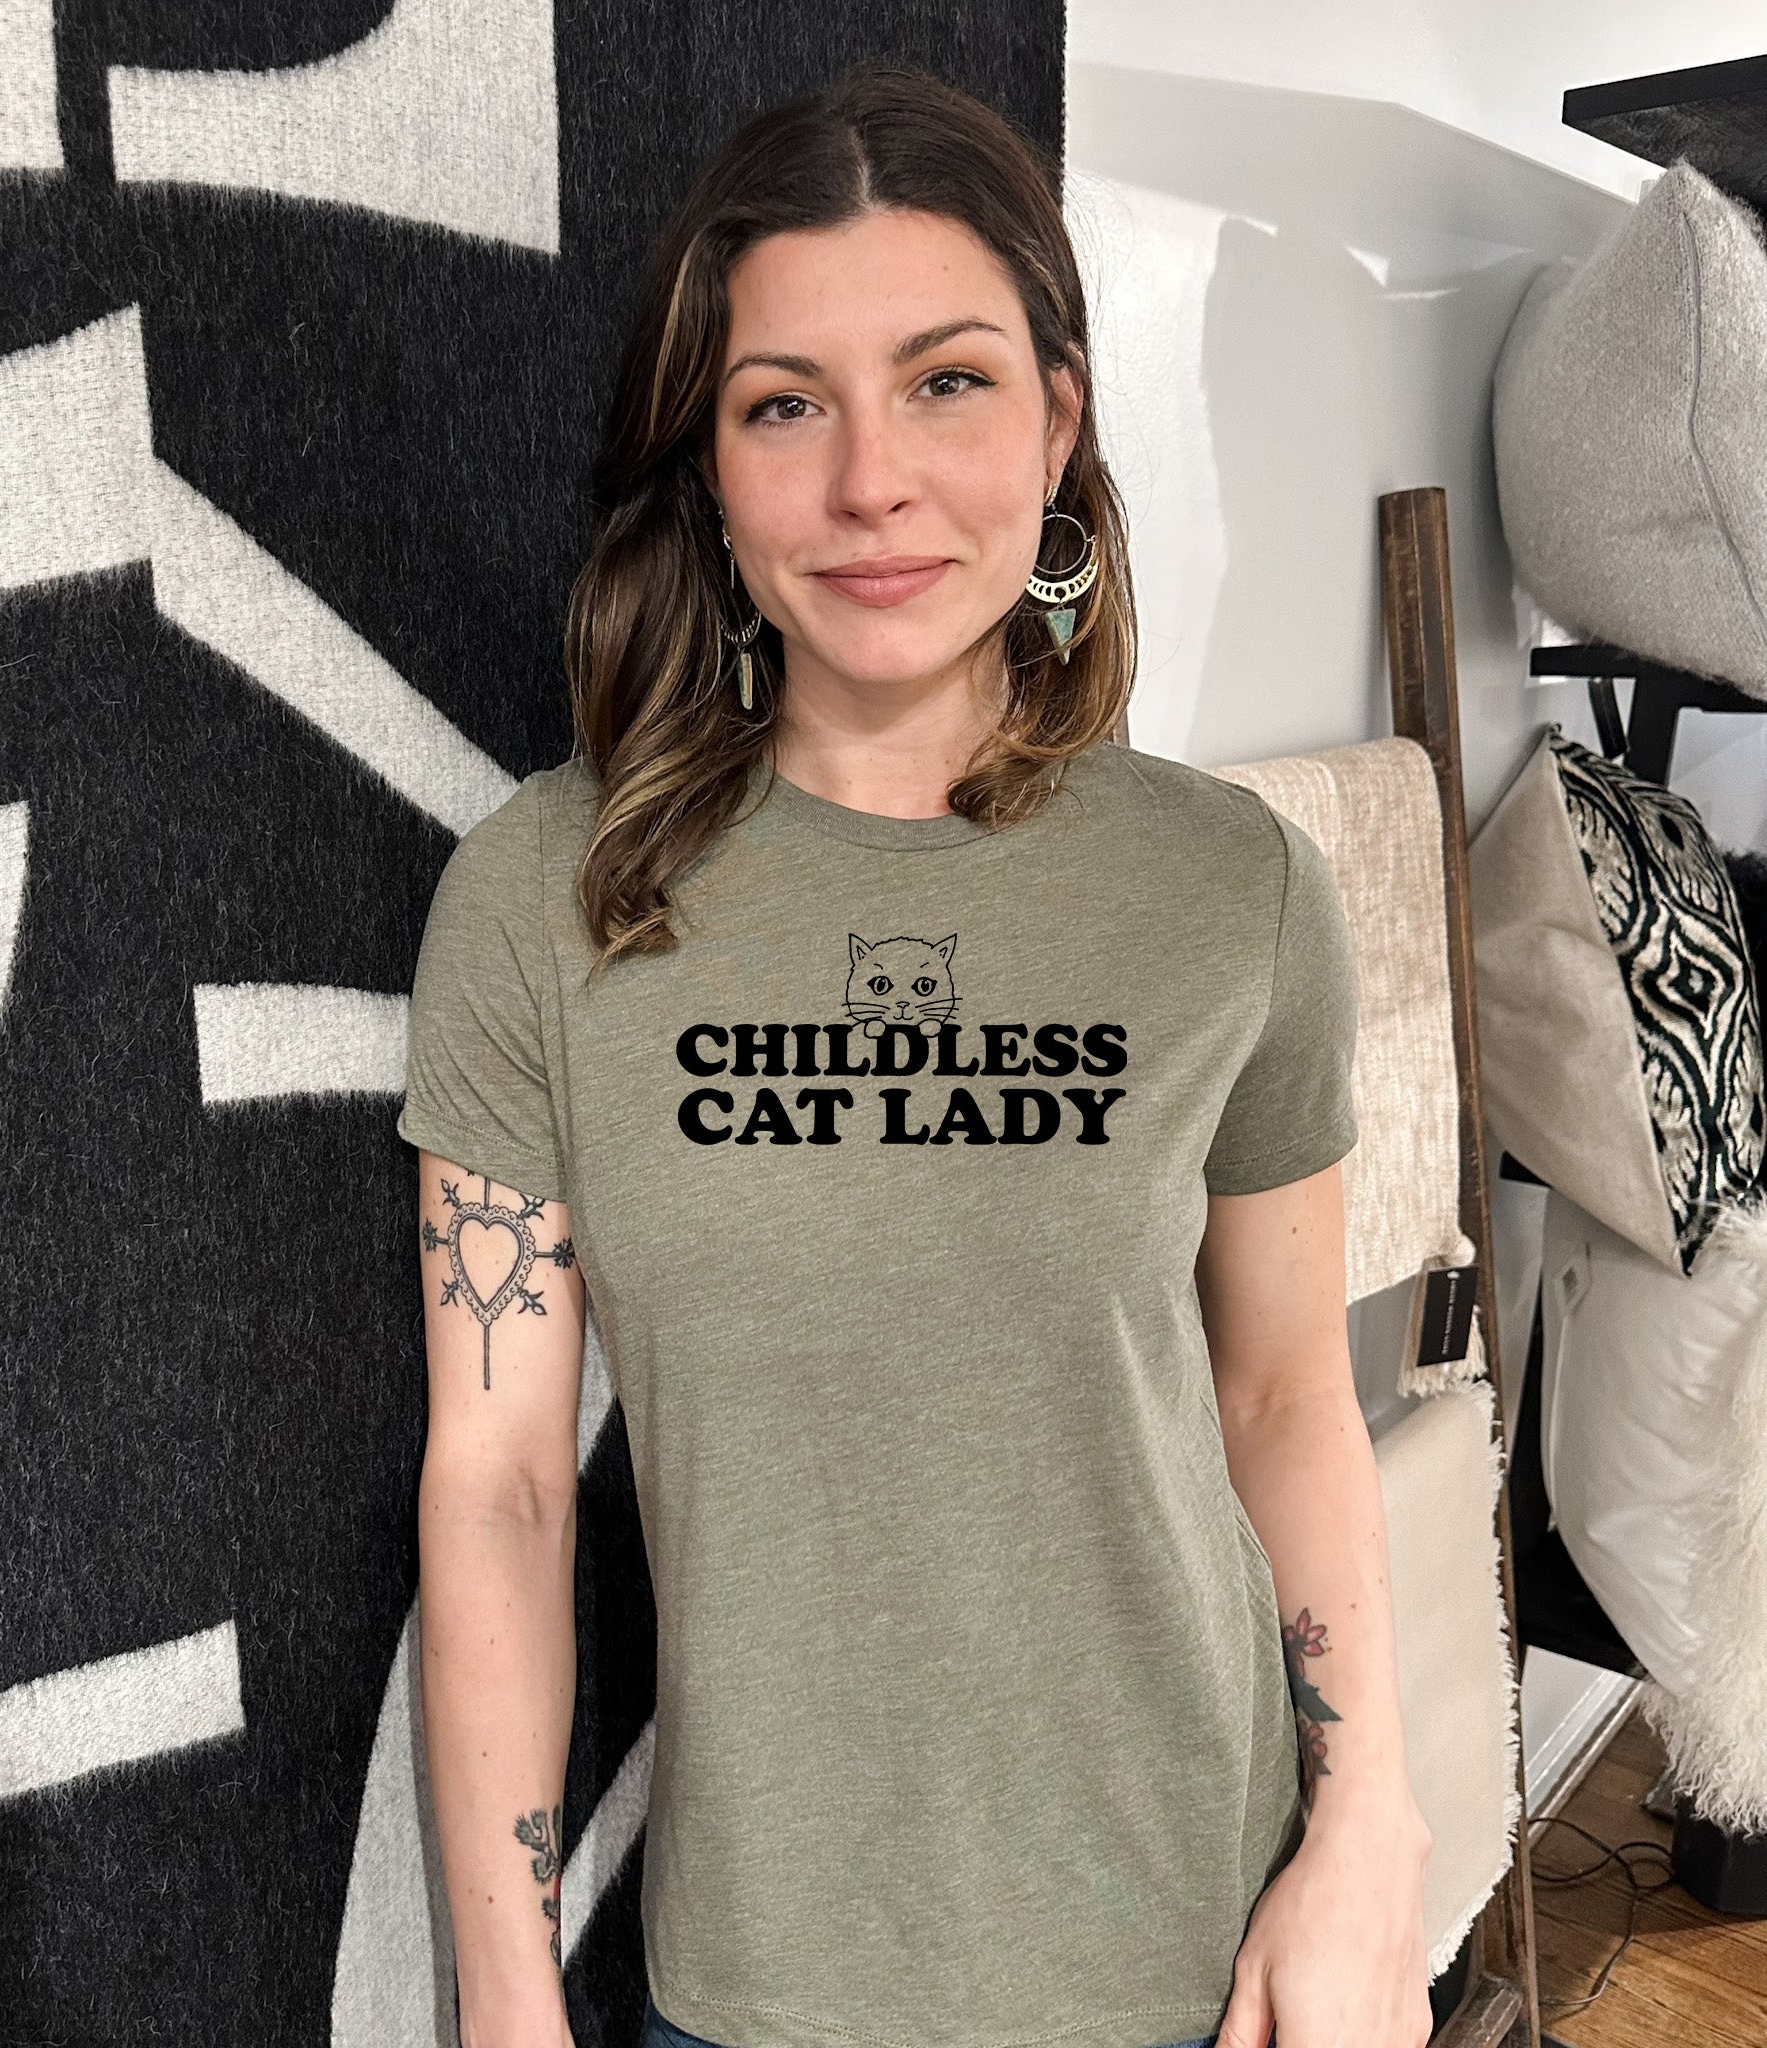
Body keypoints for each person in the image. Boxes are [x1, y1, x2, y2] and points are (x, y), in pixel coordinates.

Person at [398, 58, 1433, 2048]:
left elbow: (1286, 1388)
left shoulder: (1234, 891)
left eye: (947, 381)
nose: (871, 479)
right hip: (759, 1984)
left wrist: (1362, 1834)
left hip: (1198, 1963)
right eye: (785, 404)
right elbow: (502, 1483)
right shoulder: (547, 895)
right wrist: (505, 1999)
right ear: (708, 467)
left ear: (1055, 419)